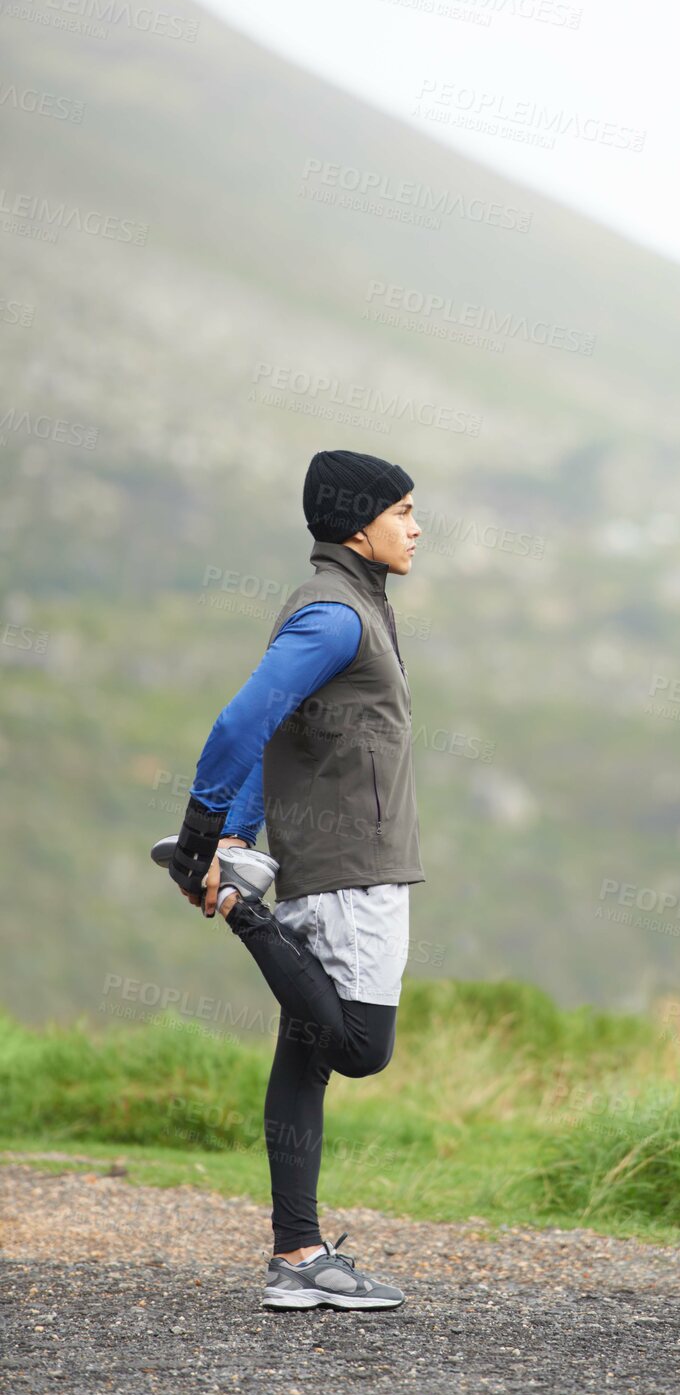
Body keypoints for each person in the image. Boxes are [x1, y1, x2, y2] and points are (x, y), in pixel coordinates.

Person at [166, 448, 423, 1310]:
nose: (416, 528)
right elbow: (244, 717)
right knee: (358, 1046)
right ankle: (243, 907)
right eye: (403, 512)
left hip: (342, 856)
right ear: (360, 524)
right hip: (351, 868)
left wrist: (235, 825)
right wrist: (210, 836)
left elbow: (275, 727)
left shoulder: (346, 604)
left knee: (308, 1057)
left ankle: (297, 1257)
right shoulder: (338, 614)